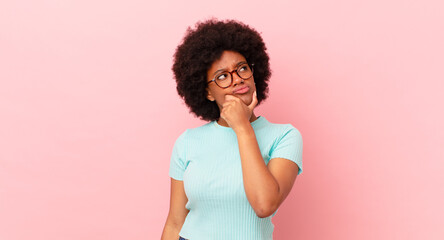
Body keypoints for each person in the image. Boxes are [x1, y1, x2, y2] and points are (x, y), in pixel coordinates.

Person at [161, 18, 303, 240]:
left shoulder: (285, 136)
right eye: (223, 76)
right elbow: (175, 222)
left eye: (242, 68)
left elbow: (264, 205)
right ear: (207, 92)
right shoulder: (187, 142)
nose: (237, 79)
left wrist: (242, 126)